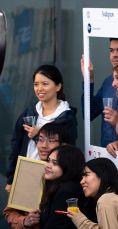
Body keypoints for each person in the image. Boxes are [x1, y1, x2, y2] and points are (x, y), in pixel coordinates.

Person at [5, 64, 77, 193]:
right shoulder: (29, 112)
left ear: (58, 87)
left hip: (52, 180)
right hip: (26, 173)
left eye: (45, 84)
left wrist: (38, 135)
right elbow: (16, 145)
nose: (39, 88)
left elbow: (68, 152)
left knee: (42, 212)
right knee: (21, 212)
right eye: (36, 84)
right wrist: (11, 179)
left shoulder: (67, 117)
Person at [3, 122, 71, 229]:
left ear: (63, 145)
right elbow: (9, 212)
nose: (44, 145)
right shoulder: (28, 170)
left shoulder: (71, 176)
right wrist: (25, 221)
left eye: (51, 141)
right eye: (40, 139)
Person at [68, 158, 118, 229]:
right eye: (82, 177)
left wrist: (80, 221)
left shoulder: (106, 200)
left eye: (86, 175)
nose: (81, 181)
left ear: (102, 175)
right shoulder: (113, 198)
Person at [80, 38, 118, 148]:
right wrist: (89, 80)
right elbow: (89, 113)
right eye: (111, 51)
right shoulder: (108, 82)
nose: (114, 55)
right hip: (107, 154)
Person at [39, 145, 87, 229]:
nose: (47, 166)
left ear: (68, 166)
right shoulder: (63, 185)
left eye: (55, 163)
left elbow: (56, 227)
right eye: (48, 160)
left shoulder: (67, 191)